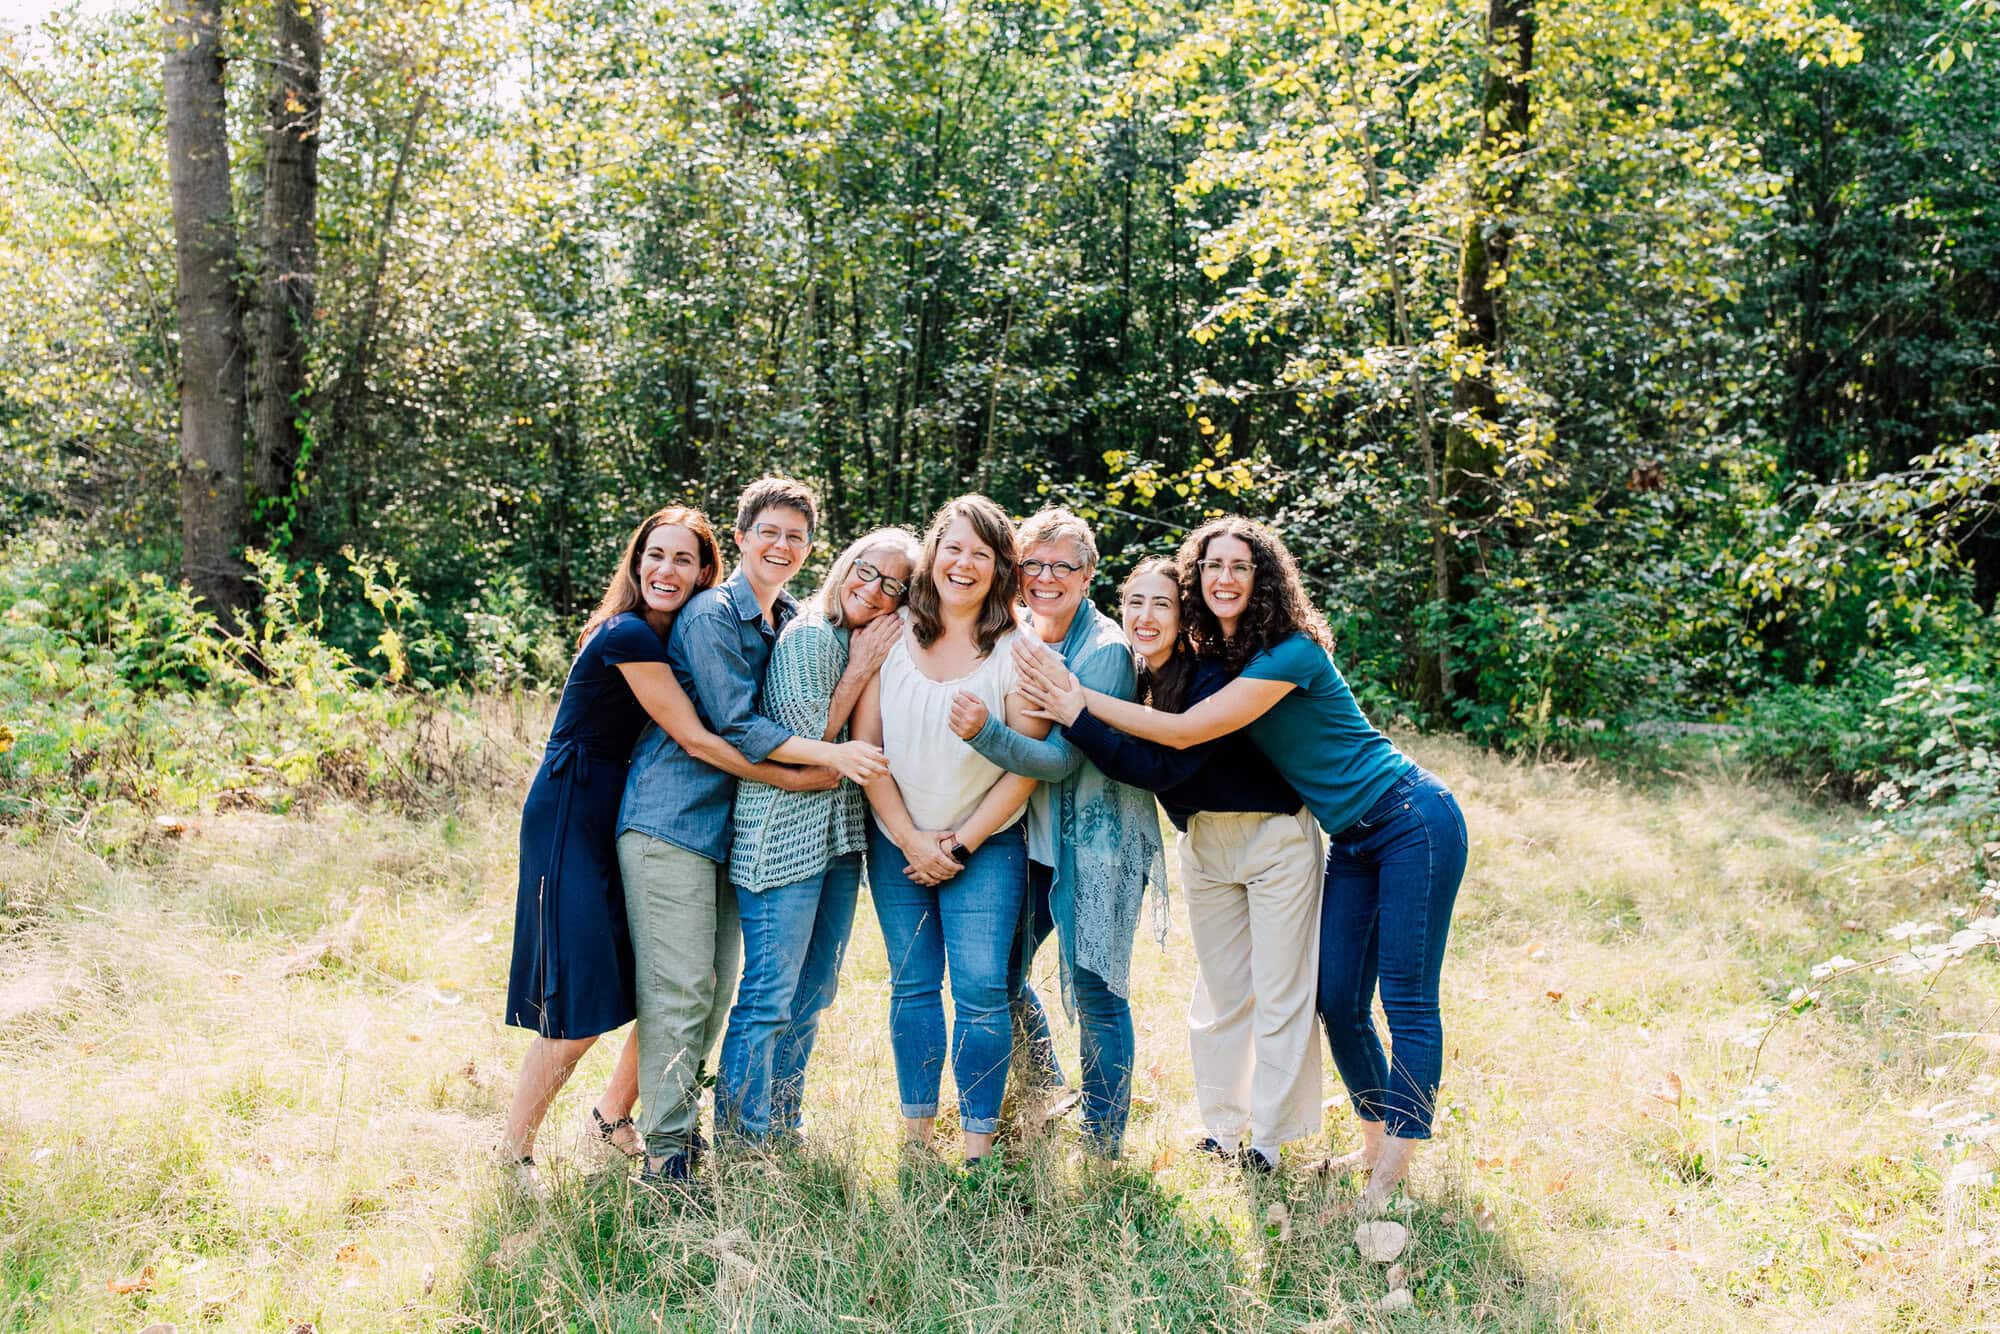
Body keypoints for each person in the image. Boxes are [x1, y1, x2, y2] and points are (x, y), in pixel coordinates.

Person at [1016, 517, 1468, 1209]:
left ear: (1264, 580)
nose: (1224, 578)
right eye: (1211, 566)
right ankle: (1365, 1139)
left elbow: (1182, 736)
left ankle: (1386, 1172)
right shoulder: (1213, 652)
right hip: (1349, 836)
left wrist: (1076, 703)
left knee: (1403, 998)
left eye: (1240, 566)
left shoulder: (1287, 653)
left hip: (1411, 818)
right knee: (1337, 1001)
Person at [499, 505, 838, 1196]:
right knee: (586, 998)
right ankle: (516, 1152)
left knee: (671, 989)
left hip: (651, 810)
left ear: (705, 567)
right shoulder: (631, 633)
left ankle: (610, 1117)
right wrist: (803, 774)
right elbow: (703, 739)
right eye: (656, 555)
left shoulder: (715, 623)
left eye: (683, 559)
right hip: (577, 812)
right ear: (635, 560)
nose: (667, 570)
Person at [616, 478, 891, 1184]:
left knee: (720, 987)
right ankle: (668, 1158)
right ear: (739, 537)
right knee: (683, 992)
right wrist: (822, 763)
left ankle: (698, 1133)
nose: (782, 545)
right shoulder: (712, 614)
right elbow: (738, 725)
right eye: (768, 531)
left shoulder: (789, 617)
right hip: (675, 818)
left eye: (796, 536)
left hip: (732, 828)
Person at [1050, 557, 1321, 1173]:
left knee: (1279, 990)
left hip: (1273, 835)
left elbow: (1163, 766)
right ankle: (1222, 1131)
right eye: (1135, 604)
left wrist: (1076, 715)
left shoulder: (1207, 678)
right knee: (1221, 991)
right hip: (1203, 842)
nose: (1145, 618)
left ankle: (1269, 1142)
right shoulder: (1134, 679)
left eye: (1162, 605)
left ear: (1184, 614)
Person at [947, 509, 1163, 1157]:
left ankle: (1102, 1143)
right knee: (1000, 977)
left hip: (1097, 846)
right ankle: (1045, 1092)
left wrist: (985, 730)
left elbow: (1062, 760)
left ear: (1088, 575)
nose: (1044, 578)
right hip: (1030, 845)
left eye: (1061, 566)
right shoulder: (1016, 636)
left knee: (1097, 990)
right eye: (1031, 565)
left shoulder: (1103, 653)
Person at [850, 494, 1047, 1167]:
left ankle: (977, 1149)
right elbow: (866, 746)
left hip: (986, 845)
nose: (964, 564)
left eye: (981, 554)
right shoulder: (892, 632)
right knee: (910, 986)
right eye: (953, 547)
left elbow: (1025, 768)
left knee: (982, 991)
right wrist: (908, 837)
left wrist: (958, 843)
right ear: (933, 553)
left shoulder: (1018, 650)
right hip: (896, 839)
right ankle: (916, 1140)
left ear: (999, 569)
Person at [717, 526, 920, 1145]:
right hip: (780, 835)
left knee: (815, 990)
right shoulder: (811, 635)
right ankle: (741, 1139)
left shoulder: (860, 639)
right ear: (844, 565)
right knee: (771, 992)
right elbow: (812, 748)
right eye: (866, 570)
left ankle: (781, 1122)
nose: (873, 589)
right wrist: (860, 670)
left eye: (893, 585)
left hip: (835, 839)